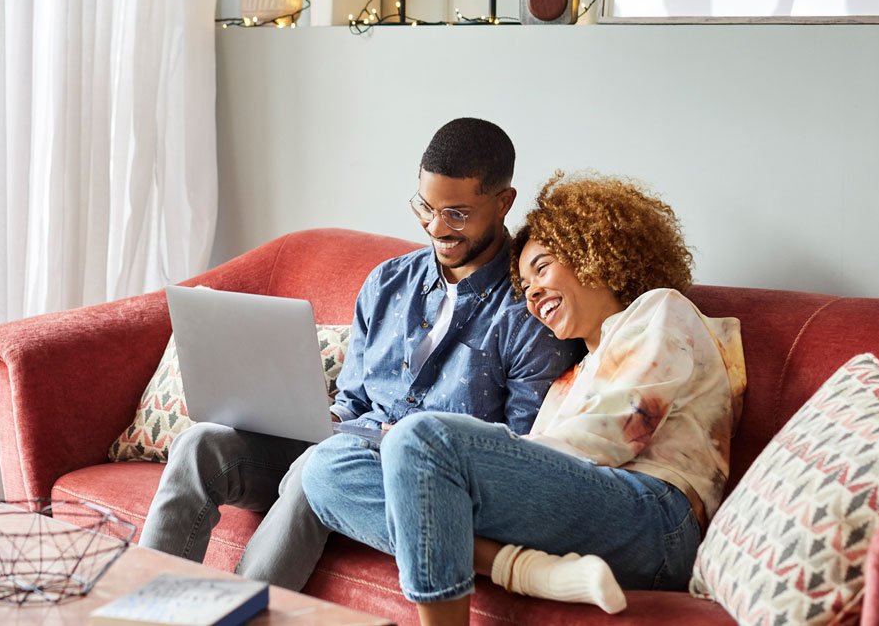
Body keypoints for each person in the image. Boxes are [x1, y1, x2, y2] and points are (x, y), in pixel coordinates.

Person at [137, 118, 584, 590]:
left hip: (410, 475)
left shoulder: (530, 310)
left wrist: (404, 439)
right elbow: (352, 398)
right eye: (426, 207)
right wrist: (301, 415)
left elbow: (517, 451)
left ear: (503, 202)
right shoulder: (388, 282)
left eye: (456, 213)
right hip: (346, 440)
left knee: (321, 466)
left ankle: (239, 615)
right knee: (200, 444)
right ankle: (146, 610)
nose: (436, 227)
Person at [305, 171, 746, 625]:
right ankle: (523, 569)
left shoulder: (659, 312)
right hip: (584, 515)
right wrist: (419, 461)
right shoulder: (567, 381)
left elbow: (608, 440)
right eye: (523, 283)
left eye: (542, 267)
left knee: (420, 440)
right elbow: (538, 478)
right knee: (325, 470)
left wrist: (432, 449)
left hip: (656, 521)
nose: (531, 293)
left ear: (591, 253)